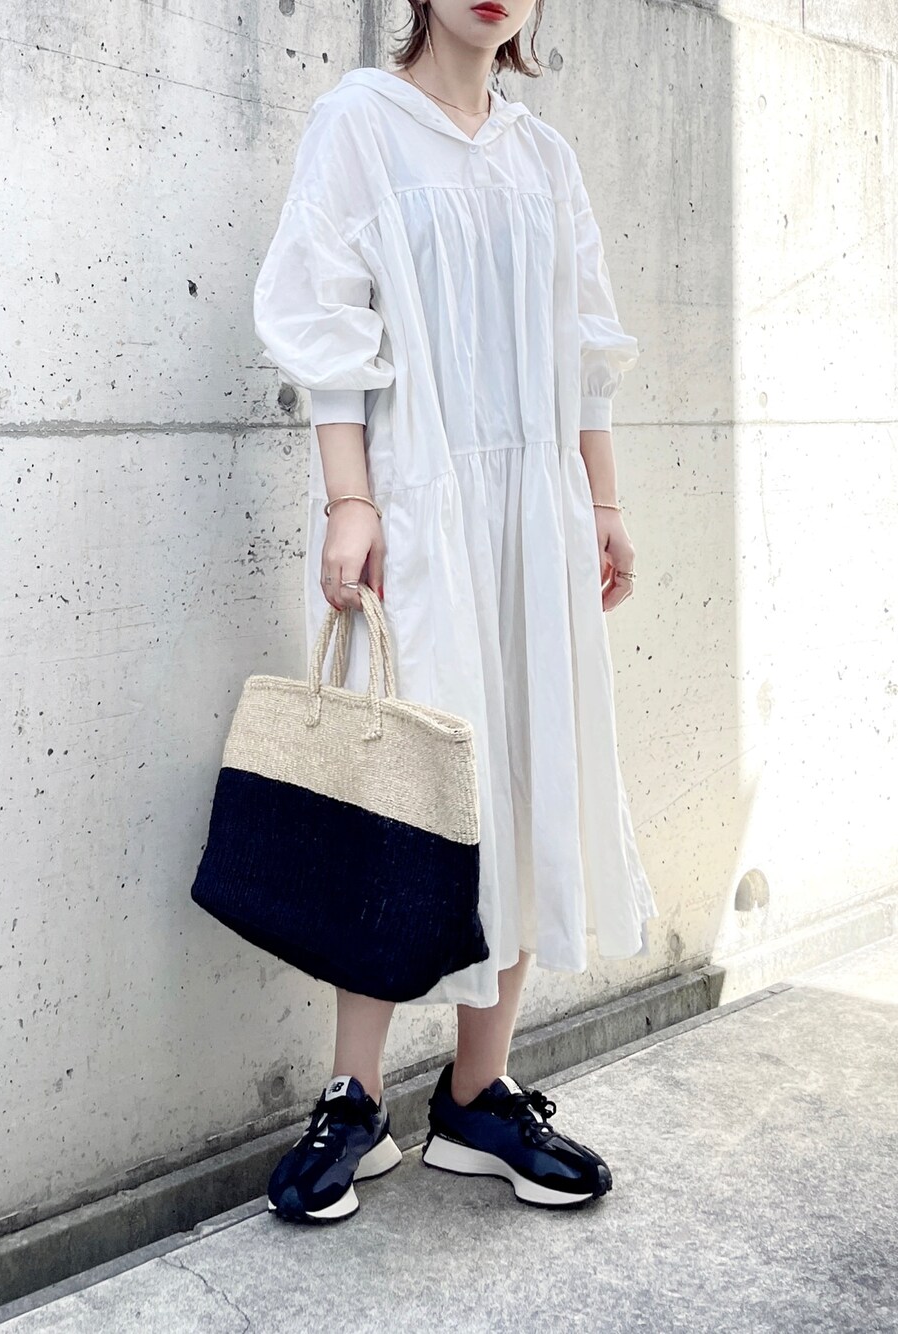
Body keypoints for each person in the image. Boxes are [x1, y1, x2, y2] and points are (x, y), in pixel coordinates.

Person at [252, 0, 659, 1224]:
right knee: (401, 794)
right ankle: (355, 1097)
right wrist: (350, 500)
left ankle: (478, 1094)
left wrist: (602, 502)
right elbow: (326, 318)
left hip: (536, 515)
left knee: (526, 772)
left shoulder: (543, 156)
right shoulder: (361, 124)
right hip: (420, 508)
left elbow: (583, 346)